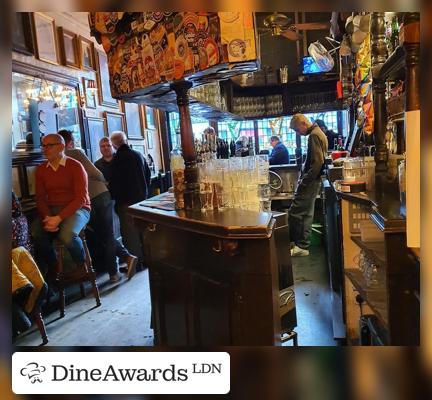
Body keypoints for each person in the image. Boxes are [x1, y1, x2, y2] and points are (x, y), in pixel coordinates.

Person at [57, 130, 137, 282]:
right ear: (70, 142)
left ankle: (116, 270)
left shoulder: (58, 159)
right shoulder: (75, 153)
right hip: (98, 195)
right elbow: (96, 172)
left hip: (88, 200)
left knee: (104, 235)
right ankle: (124, 261)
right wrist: (104, 181)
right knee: (106, 235)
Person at [31, 133, 91, 277]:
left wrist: (58, 218)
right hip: (52, 209)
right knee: (35, 231)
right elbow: (40, 198)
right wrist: (48, 217)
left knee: (67, 235)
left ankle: (81, 265)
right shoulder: (41, 169)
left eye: (49, 146)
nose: (45, 149)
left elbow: (81, 198)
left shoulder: (75, 166)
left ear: (62, 146)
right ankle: (55, 266)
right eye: (43, 146)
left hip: (78, 209)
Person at [94, 136, 139, 276]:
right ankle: (119, 265)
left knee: (126, 232)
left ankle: (129, 260)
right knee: (110, 233)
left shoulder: (120, 158)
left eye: (108, 145)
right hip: (105, 201)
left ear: (112, 146)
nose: (106, 148)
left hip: (122, 199)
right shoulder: (96, 165)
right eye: (102, 146)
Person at [110, 131, 151, 270]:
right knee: (142, 230)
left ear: (114, 145)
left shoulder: (117, 160)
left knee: (130, 234)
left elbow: (115, 183)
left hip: (126, 201)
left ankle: (136, 264)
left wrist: (114, 197)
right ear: (125, 140)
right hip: (141, 198)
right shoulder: (137, 154)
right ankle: (147, 259)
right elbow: (148, 174)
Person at [288, 114, 328, 256]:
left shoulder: (314, 135)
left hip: (311, 181)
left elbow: (317, 163)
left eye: (297, 130)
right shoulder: (318, 133)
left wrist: (304, 181)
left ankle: (298, 244)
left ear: (303, 124)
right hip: (315, 180)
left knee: (294, 212)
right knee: (307, 214)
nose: (298, 133)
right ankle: (302, 246)